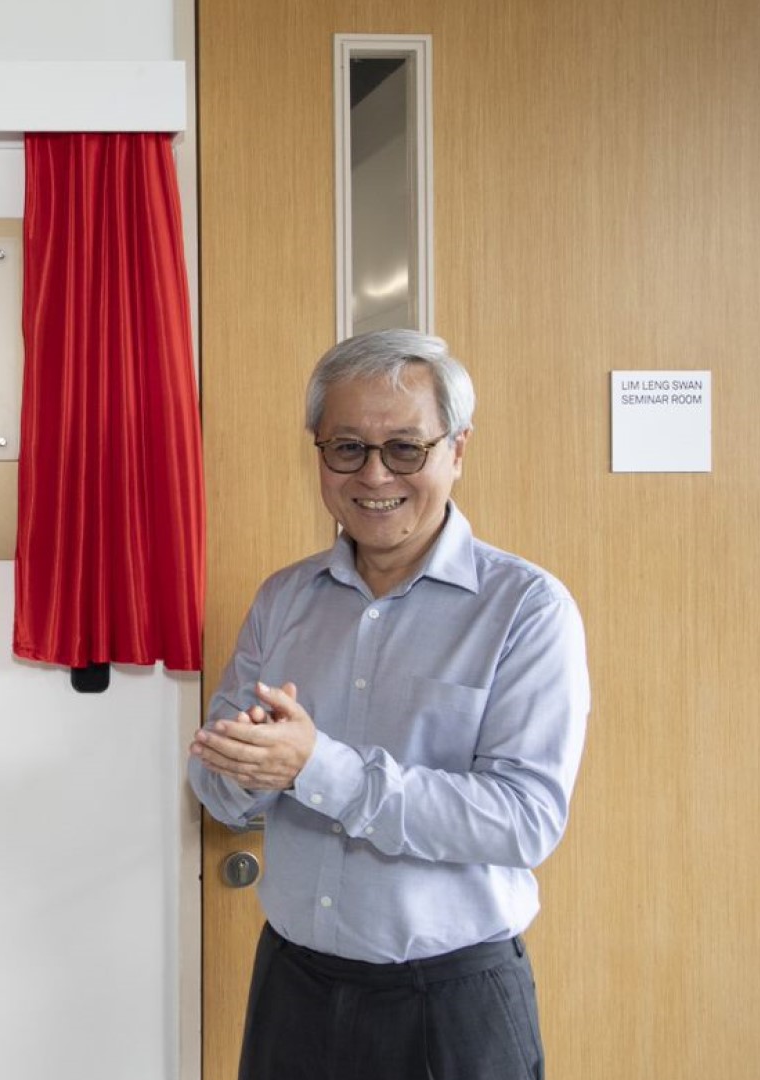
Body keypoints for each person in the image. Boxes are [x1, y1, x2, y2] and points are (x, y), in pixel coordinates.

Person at [186, 330, 590, 1080]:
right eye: (347, 448)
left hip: (452, 1005)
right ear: (319, 453)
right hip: (292, 990)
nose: (374, 474)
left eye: (406, 448)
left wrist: (316, 767)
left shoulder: (526, 609)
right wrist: (246, 769)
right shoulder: (284, 600)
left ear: (457, 450)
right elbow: (216, 787)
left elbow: (525, 820)